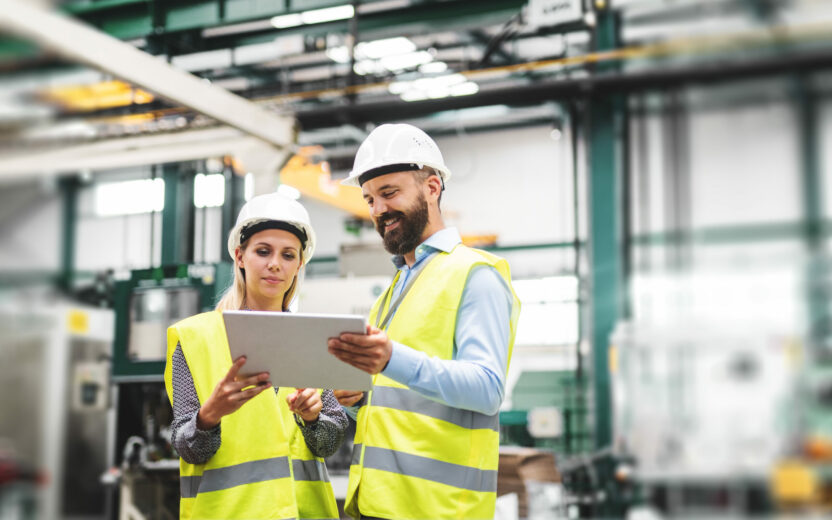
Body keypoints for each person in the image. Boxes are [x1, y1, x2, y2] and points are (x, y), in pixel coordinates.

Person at [328, 123, 521, 519]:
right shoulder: (392, 291)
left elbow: (486, 389)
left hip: (438, 510)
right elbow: (404, 401)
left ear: (432, 188)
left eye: (389, 193)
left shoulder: (476, 275)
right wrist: (359, 399)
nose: (378, 210)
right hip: (377, 505)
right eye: (369, 199)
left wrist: (388, 360)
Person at [164, 192, 347, 520]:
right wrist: (209, 416)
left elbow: (328, 444)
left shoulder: (315, 337)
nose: (276, 263)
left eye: (288, 255)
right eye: (263, 251)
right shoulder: (195, 338)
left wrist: (312, 420)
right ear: (239, 256)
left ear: (299, 264)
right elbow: (187, 447)